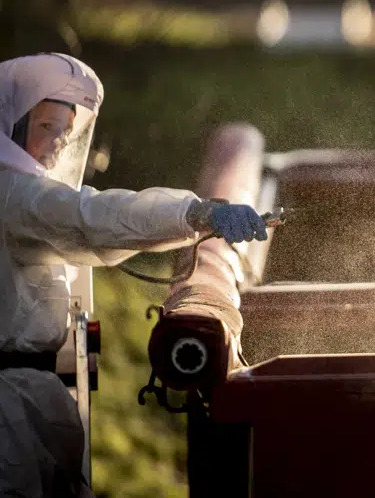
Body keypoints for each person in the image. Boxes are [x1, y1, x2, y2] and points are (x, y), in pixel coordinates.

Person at [0, 53, 266, 497]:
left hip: (39, 398)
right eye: (46, 127)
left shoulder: (24, 195)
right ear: (12, 122)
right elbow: (91, 217)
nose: (57, 144)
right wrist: (196, 213)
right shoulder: (12, 194)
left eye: (65, 132)